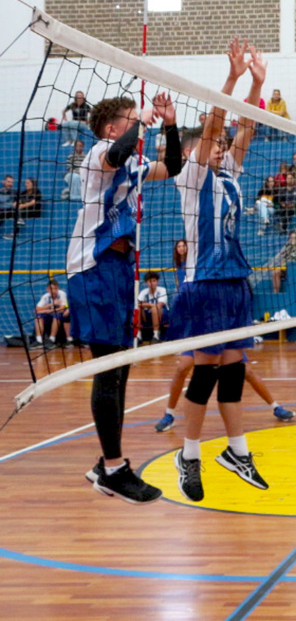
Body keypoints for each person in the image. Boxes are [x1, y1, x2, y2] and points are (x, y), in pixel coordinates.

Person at [170, 40, 270, 502]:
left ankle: (237, 451)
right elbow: (215, 124)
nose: (220, 148)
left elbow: (244, 126)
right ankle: (189, 455)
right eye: (212, 145)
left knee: (233, 370)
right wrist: (230, 80)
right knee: (206, 372)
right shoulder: (191, 177)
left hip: (234, 283)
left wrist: (257, 83)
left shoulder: (229, 172)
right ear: (196, 150)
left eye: (222, 147)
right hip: (204, 284)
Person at [71, 87, 181, 504]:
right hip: (93, 266)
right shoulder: (99, 153)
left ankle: (108, 464)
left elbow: (172, 165)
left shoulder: (133, 161)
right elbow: (116, 154)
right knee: (108, 367)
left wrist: (168, 123)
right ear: (113, 126)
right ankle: (113, 467)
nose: (138, 124)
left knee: (123, 366)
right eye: (131, 119)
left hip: (120, 269)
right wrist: (143, 120)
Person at [157, 233, 296, 434]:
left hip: (222, 323)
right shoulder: (182, 272)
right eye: (179, 246)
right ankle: (169, 413)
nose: (182, 248)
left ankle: (275, 406)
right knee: (183, 367)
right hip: (198, 325)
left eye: (184, 245)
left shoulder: (220, 268)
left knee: (246, 370)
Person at [34, 278, 70, 347]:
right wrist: (51, 304)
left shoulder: (62, 294)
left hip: (60, 316)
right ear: (47, 289)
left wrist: (47, 310)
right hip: (49, 315)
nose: (53, 291)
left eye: (55, 288)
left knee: (57, 315)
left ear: (58, 288)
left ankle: (52, 339)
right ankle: (39, 340)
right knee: (38, 316)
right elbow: (37, 309)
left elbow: (62, 308)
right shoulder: (45, 296)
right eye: (51, 289)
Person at [136, 271, 168, 342]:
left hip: (161, 315)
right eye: (149, 281)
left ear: (157, 281)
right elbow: (137, 304)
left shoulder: (162, 290)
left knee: (154, 308)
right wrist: (150, 305)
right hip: (147, 316)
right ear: (146, 282)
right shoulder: (144, 292)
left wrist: (148, 305)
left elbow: (159, 304)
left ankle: (156, 335)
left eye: (154, 281)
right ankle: (138, 335)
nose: (152, 283)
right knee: (137, 309)